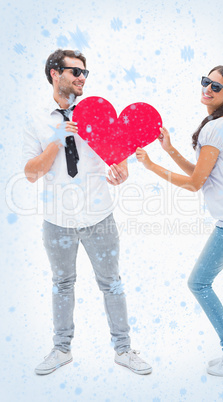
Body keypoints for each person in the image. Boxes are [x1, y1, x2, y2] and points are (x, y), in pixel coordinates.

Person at [23, 49, 152, 376]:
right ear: (55, 73)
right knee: (62, 283)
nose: (82, 78)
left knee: (112, 283)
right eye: (75, 72)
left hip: (100, 219)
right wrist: (56, 138)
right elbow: (30, 173)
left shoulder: (95, 112)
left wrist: (121, 171)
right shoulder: (37, 118)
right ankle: (61, 349)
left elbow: (118, 159)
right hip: (57, 223)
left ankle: (123, 350)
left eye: (85, 73)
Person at [136, 65, 223, 376]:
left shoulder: (216, 127)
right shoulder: (222, 122)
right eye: (206, 82)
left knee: (198, 282)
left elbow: (194, 184)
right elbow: (202, 174)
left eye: (216, 87)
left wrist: (152, 166)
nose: (207, 88)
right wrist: (170, 150)